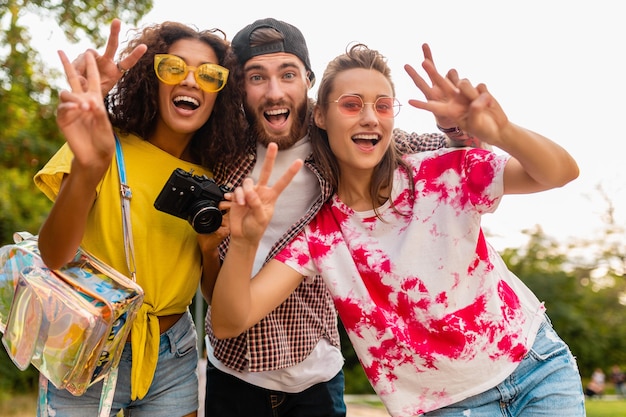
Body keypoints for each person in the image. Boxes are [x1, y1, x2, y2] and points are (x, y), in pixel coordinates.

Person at [209, 42, 586, 417]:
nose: (370, 117)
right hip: (444, 406)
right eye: (352, 104)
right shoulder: (321, 236)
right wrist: (244, 241)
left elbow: (560, 173)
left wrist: (502, 131)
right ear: (320, 116)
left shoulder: (442, 172)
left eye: (383, 105)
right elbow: (229, 321)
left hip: (538, 367)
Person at [201, 18, 481, 417]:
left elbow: (447, 152)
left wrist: (456, 125)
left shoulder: (339, 134)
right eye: (256, 77)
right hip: (231, 370)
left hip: (315, 373)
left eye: (288, 74)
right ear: (239, 88)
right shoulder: (219, 149)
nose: (275, 90)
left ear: (308, 81)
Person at [34, 21, 243, 416]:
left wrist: (211, 251)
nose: (191, 82)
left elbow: (214, 296)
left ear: (221, 93)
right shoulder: (99, 143)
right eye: (174, 68)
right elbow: (53, 255)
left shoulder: (213, 179)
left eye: (209, 75)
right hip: (86, 346)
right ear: (152, 78)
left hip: (173, 355)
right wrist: (87, 167)